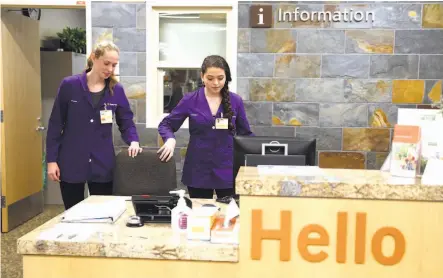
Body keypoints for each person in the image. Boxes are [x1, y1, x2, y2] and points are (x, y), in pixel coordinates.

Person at [46, 41, 142, 210]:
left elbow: (126, 122)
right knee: (73, 213)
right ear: (93, 58)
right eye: (107, 63)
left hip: (102, 162)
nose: (110, 69)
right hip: (71, 160)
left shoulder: (116, 90)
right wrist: (52, 160)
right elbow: (55, 125)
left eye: (114, 65)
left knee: (103, 212)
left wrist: (133, 141)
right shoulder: (70, 85)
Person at [157, 55, 254, 199]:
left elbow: (246, 136)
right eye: (210, 78)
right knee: (199, 214)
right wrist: (170, 139)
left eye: (220, 78)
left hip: (227, 168)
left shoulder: (235, 101)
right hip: (198, 169)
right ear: (202, 76)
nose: (215, 83)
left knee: (230, 214)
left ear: (226, 77)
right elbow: (166, 124)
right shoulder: (190, 99)